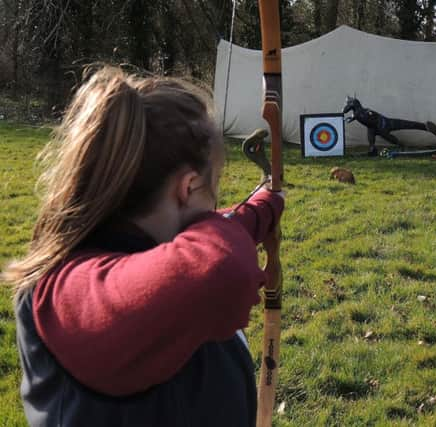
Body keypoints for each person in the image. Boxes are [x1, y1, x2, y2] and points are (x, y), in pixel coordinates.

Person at [3, 66, 284, 426]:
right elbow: (218, 266)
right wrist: (225, 228)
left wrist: (265, 205)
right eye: (212, 190)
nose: (214, 212)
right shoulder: (66, 291)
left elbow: (208, 239)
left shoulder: (149, 256)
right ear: (188, 187)